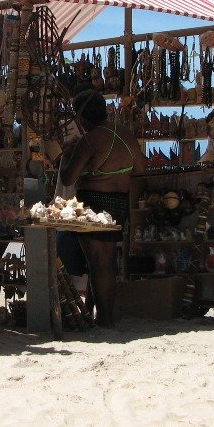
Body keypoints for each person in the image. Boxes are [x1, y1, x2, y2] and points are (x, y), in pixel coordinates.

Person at [59, 89, 145, 327]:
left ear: (82, 118)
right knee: (105, 261)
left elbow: (68, 178)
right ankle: (98, 312)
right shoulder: (126, 135)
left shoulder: (90, 140)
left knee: (99, 262)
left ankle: (105, 317)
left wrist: (68, 152)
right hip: (119, 205)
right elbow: (140, 172)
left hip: (95, 204)